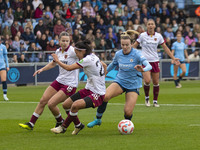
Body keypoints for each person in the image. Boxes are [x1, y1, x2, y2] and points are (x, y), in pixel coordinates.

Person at [87, 30, 152, 128]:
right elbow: (112, 65)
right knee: (105, 96)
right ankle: (98, 119)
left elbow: (149, 66)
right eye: (123, 45)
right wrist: (103, 74)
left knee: (128, 112)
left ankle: (127, 124)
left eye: (127, 45)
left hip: (133, 84)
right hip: (120, 81)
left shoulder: (137, 54)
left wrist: (143, 69)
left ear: (132, 44)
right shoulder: (118, 54)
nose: (125, 47)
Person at [18, 31, 79, 130]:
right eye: (63, 40)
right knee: (43, 100)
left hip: (70, 84)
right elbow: (53, 63)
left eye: (67, 41)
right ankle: (31, 123)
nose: (65, 42)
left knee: (51, 104)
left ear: (70, 41)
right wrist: (41, 69)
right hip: (60, 80)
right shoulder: (58, 51)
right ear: (59, 41)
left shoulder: (73, 51)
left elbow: (85, 57)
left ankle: (65, 122)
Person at [50, 40, 107, 135]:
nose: (77, 55)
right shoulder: (93, 55)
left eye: (77, 53)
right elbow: (104, 65)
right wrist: (102, 78)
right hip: (89, 89)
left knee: (75, 105)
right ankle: (78, 125)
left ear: (83, 51)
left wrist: (57, 61)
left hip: (98, 93)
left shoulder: (86, 60)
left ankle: (63, 127)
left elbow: (68, 68)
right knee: (66, 105)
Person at [132, 19, 180, 107]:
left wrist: (173, 58)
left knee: (156, 82)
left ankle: (155, 101)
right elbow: (134, 46)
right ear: (146, 26)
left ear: (154, 26)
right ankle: (147, 98)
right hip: (145, 61)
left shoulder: (158, 36)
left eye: (152, 24)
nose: (150, 25)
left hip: (155, 61)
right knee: (147, 80)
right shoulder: (142, 36)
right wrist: (129, 54)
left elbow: (165, 47)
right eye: (149, 24)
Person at [0, 36, 9, 101]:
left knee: (4, 80)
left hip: (2, 65)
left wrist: (7, 66)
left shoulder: (3, 47)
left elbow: (6, 57)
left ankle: (5, 95)